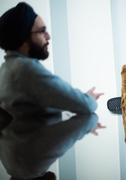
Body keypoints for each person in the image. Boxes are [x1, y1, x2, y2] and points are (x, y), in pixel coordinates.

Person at [0, 2, 104, 178]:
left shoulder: (7, 67)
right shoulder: (25, 68)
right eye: (42, 31)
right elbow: (86, 106)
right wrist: (88, 98)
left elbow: (28, 109)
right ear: (24, 39)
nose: (48, 36)